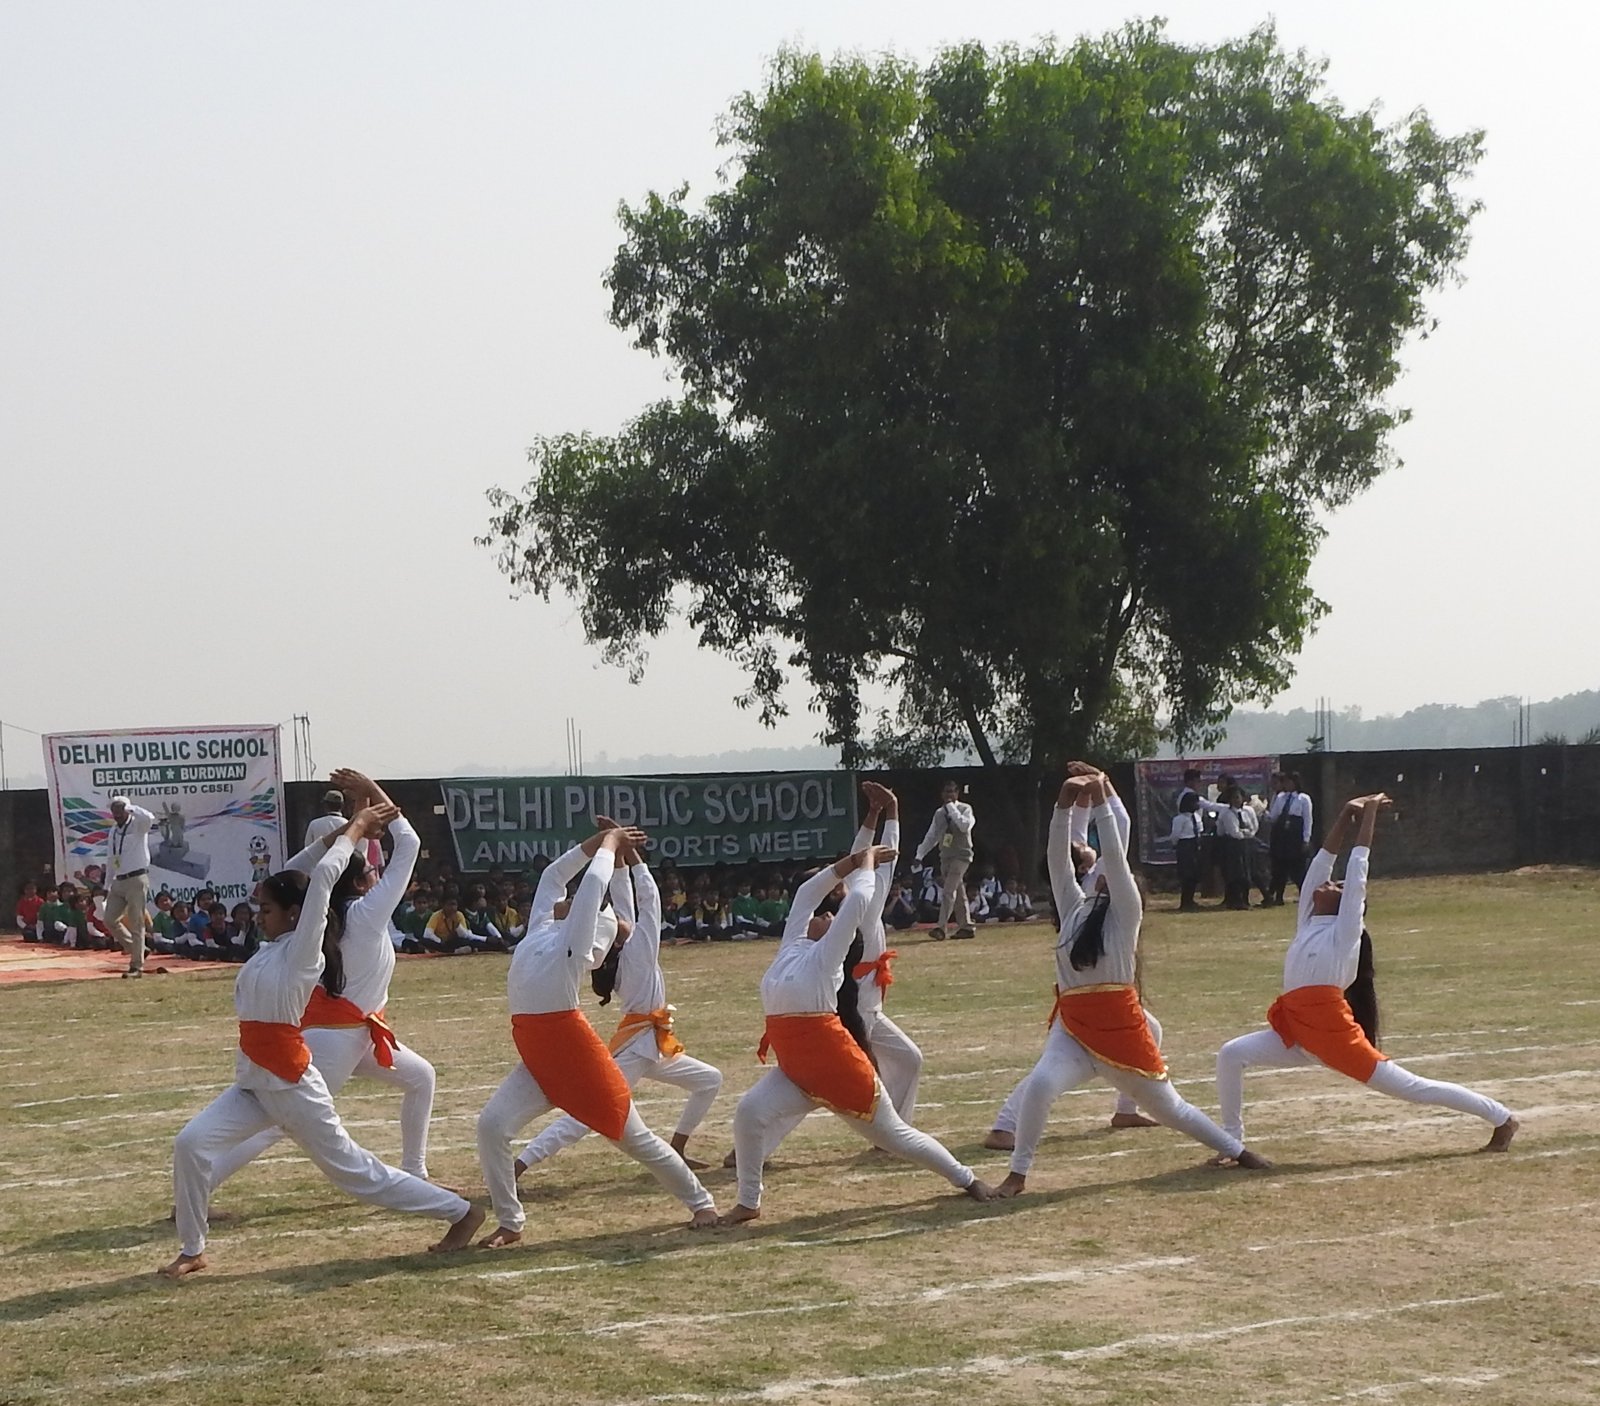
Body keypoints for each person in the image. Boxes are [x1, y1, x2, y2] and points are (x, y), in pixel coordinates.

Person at [161, 797, 482, 1279]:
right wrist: (336, 836)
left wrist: (356, 830)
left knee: (356, 1174)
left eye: (267, 909)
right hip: (254, 1082)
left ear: (295, 914)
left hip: (292, 1085)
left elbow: (324, 879)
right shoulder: (269, 946)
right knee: (190, 1143)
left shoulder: (302, 951)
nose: (258, 915)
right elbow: (292, 875)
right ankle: (193, 1249)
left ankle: (461, 1212)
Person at [992, 773, 1271, 1196]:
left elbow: (1116, 852)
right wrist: (1063, 805)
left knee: (1172, 1109)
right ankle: (1017, 1174)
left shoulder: (1125, 914)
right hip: (1073, 1028)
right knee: (1041, 1085)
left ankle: (1237, 1150)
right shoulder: (1073, 907)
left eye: (1111, 871)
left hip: (1120, 1030)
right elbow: (1056, 860)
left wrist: (1102, 796)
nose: (1104, 871)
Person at [1213, 793, 1519, 1157]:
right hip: (1297, 1032)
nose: (1328, 884)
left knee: (1414, 1089)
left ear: (1347, 905)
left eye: (1336, 887)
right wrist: (1346, 813)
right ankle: (1231, 1142)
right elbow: (1322, 862)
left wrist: (1370, 814)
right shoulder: (1308, 920)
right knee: (1231, 1054)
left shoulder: (1346, 932)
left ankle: (1502, 1117)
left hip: (1333, 1036)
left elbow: (1358, 868)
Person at [721, 838, 995, 1224]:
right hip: (798, 1071)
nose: (826, 915)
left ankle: (967, 1179)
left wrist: (866, 866)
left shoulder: (827, 957)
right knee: (749, 1113)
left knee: (896, 1137)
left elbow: (861, 900)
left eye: (832, 914)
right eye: (823, 912)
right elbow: (806, 892)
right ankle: (749, 1203)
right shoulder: (792, 945)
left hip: (839, 1070)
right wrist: (850, 862)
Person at [200, 769, 447, 1193]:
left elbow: (295, 871)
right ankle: (202, 1184)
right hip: (336, 1038)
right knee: (279, 1124)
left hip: (355, 1032)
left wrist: (356, 825)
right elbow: (409, 844)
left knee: (421, 1077)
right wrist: (371, 794)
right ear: (362, 882)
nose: (376, 876)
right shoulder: (366, 915)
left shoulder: (317, 913)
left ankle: (415, 1171)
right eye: (370, 873)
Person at [475, 826, 719, 1247]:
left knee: (636, 1140)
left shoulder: (574, 945)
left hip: (575, 1056)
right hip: (539, 1056)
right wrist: (600, 839)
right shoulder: (541, 928)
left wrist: (610, 845)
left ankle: (702, 1203)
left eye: (585, 905)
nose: (569, 898)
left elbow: (591, 887)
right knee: (492, 1126)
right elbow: (554, 875)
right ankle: (511, 1222)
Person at [515, 828, 723, 1177]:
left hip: (651, 1043)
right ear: (612, 940)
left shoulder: (624, 951)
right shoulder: (638, 952)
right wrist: (637, 859)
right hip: (639, 1047)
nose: (623, 919)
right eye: (615, 922)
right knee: (590, 1113)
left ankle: (678, 1146)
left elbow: (625, 899)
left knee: (709, 1079)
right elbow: (649, 902)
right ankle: (522, 1162)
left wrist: (620, 853)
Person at [103, 796, 158, 976]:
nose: (117, 814)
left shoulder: (138, 825)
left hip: (136, 878)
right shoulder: (113, 830)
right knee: (109, 919)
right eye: (114, 810)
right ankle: (138, 949)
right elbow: (111, 858)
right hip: (119, 880)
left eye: (120, 810)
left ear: (127, 809)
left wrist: (131, 807)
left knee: (136, 922)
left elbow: (149, 818)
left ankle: (136, 966)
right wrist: (107, 884)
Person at [915, 779, 977, 939]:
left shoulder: (965, 809)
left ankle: (941, 928)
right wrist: (919, 855)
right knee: (959, 893)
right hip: (946, 857)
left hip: (962, 856)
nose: (949, 795)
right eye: (946, 792)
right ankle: (966, 927)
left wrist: (951, 807)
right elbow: (932, 836)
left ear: (957, 793)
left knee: (948, 891)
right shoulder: (939, 814)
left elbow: (964, 826)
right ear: (942, 794)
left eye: (952, 791)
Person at [1264, 773, 1314, 906]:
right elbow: (1273, 816)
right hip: (1282, 835)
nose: (1287, 785)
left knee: (1298, 868)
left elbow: (1308, 820)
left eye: (1289, 782)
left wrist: (1306, 839)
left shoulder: (1303, 798)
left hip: (1295, 835)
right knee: (1280, 866)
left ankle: (1305, 895)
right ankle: (1278, 896)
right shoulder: (1280, 797)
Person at [1215, 786, 1258, 911]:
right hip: (1233, 846)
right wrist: (1245, 832)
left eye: (1238, 797)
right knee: (1235, 873)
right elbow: (1235, 833)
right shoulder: (1227, 814)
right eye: (1233, 798)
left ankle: (1245, 900)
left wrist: (1246, 832)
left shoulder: (1247, 811)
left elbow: (1254, 828)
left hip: (1246, 845)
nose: (1237, 800)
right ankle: (1235, 900)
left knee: (1246, 872)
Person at [1169, 793, 1204, 912]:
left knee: (1194, 874)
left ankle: (1191, 899)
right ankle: (1185, 901)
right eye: (1194, 802)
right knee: (1186, 874)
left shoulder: (1197, 817)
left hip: (1195, 845)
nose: (1197, 804)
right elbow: (1175, 835)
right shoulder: (1179, 819)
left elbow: (1200, 830)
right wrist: (1178, 845)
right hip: (1185, 845)